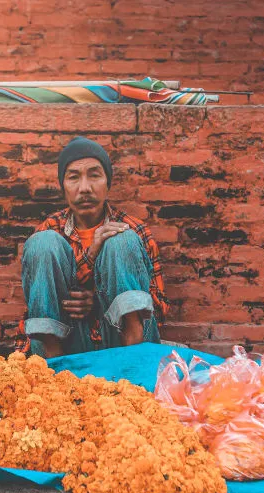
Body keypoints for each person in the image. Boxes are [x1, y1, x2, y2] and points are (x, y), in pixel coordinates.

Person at [14, 136, 169, 358]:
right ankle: (51, 373)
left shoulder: (136, 229)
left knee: (121, 239)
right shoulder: (50, 230)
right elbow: (39, 308)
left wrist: (101, 300)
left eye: (94, 175)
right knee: (42, 243)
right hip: (67, 347)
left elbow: (159, 310)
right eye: (74, 178)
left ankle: (135, 364)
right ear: (63, 186)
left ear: (108, 183)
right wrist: (91, 254)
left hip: (119, 343)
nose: (85, 188)